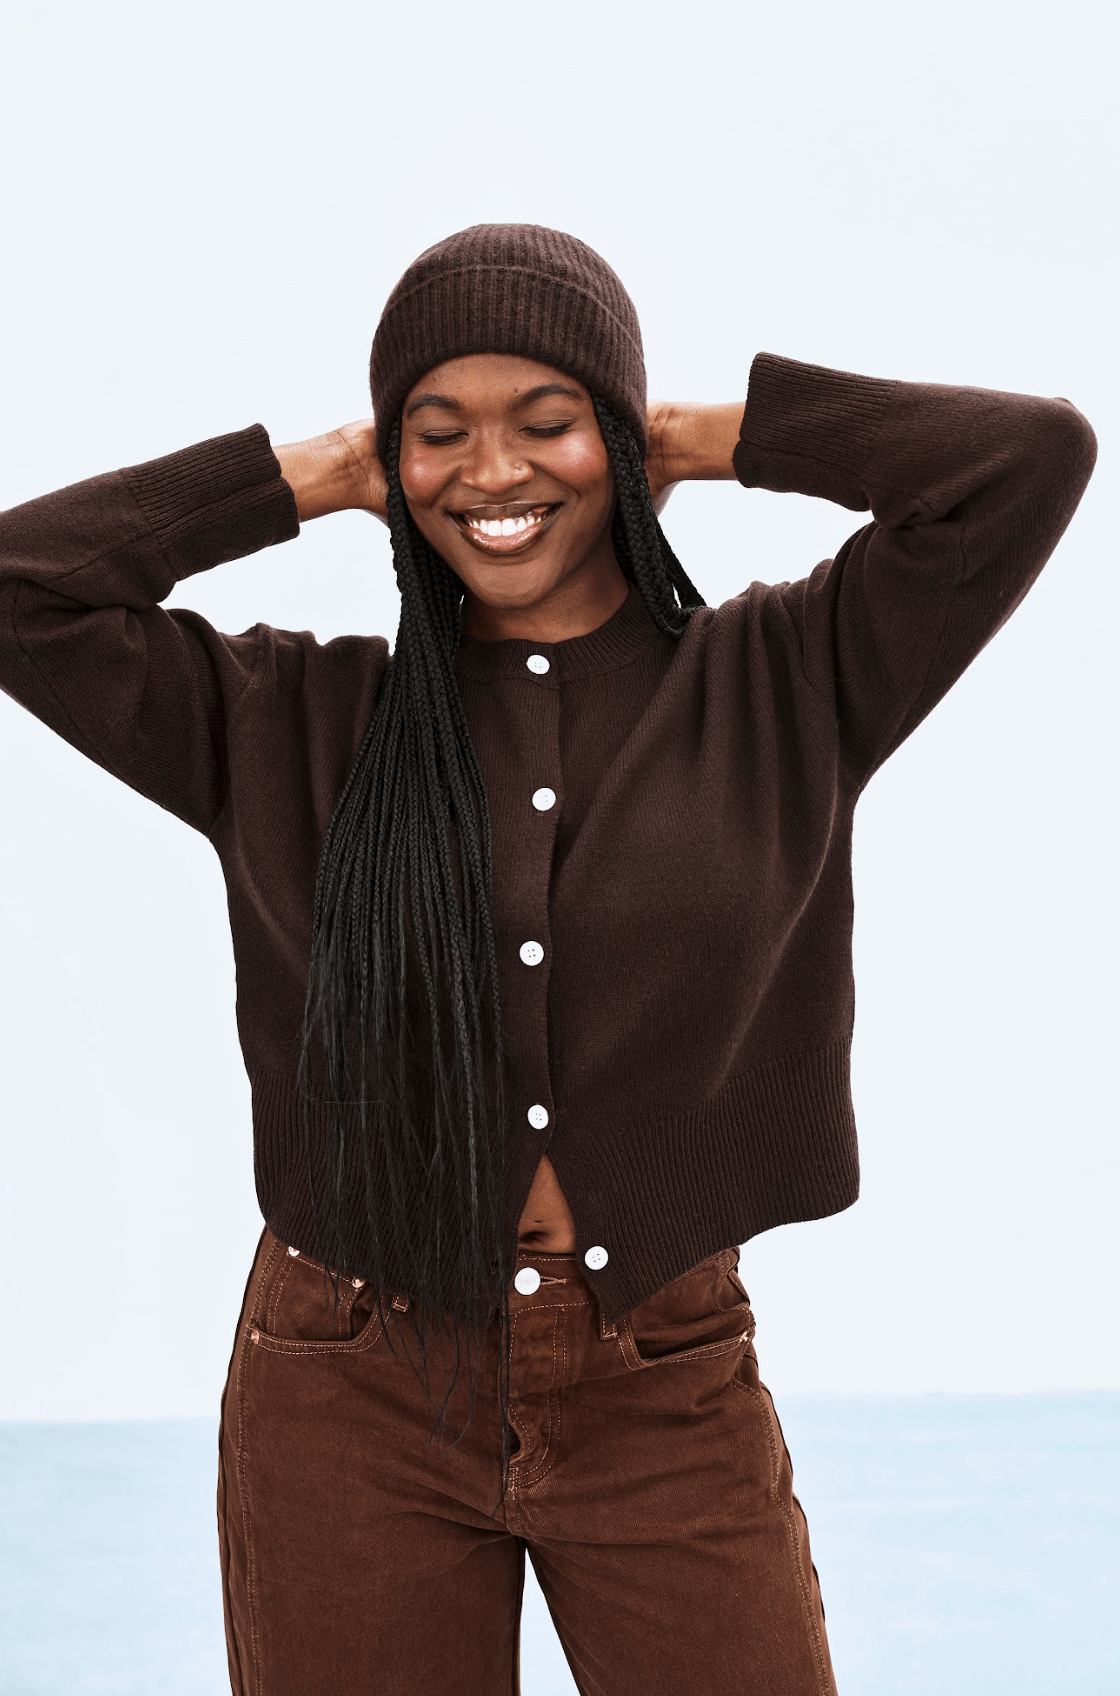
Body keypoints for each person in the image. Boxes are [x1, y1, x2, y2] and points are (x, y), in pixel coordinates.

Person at [0, 223, 1096, 1696]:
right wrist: (308, 471)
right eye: (437, 432)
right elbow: (21, 585)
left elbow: (1026, 462)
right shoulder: (283, 720)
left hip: (662, 1367)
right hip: (349, 1379)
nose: (491, 472)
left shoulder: (788, 680)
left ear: (617, 433)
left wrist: (709, 437)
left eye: (549, 420)